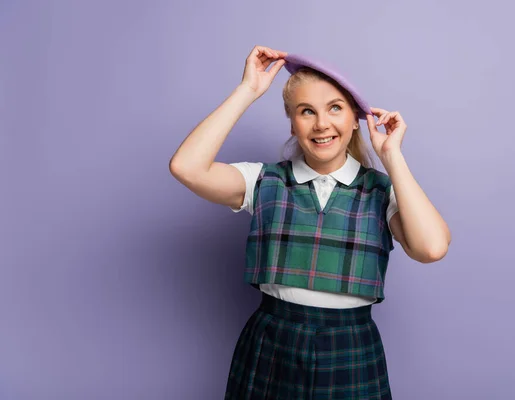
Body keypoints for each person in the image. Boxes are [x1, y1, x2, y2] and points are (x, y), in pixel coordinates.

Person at [169, 45, 451, 399]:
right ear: (292, 121)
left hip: (351, 346)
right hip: (271, 344)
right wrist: (248, 91)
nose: (321, 124)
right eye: (306, 111)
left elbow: (432, 247)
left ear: (355, 119)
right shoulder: (262, 181)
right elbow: (186, 167)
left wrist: (392, 157)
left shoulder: (381, 191)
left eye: (335, 108)